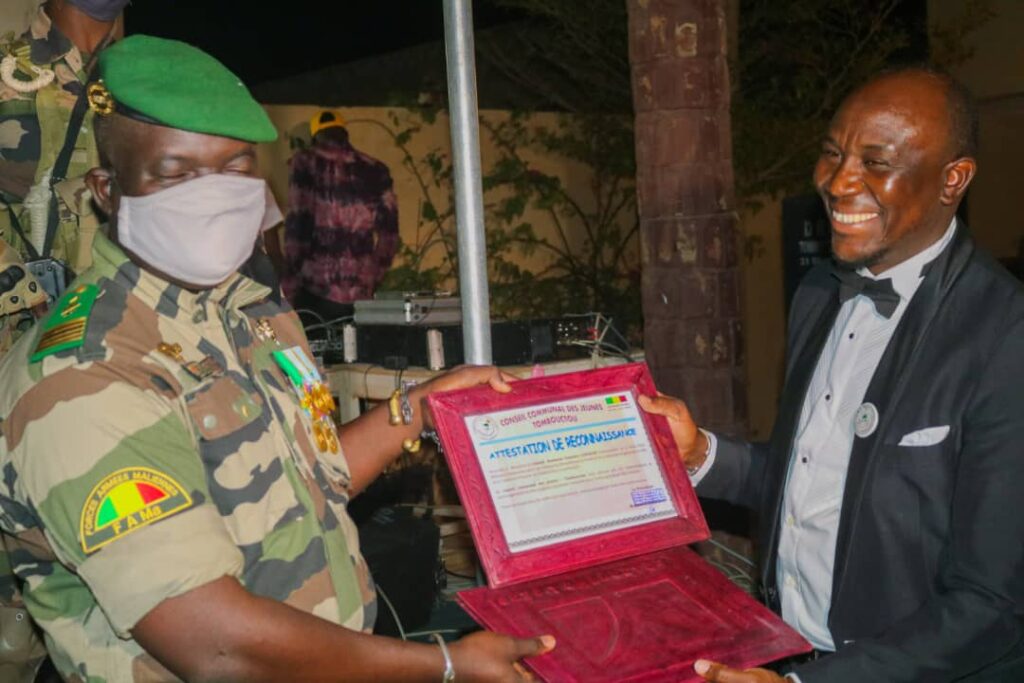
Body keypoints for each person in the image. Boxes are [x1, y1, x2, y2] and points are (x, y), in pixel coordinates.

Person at [0, 35, 552, 682]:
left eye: (234, 168)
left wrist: (414, 409)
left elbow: (309, 473)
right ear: (106, 189)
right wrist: (445, 663)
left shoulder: (254, 313)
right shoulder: (82, 374)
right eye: (176, 173)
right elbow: (216, 646)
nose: (211, 195)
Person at [640, 66, 1024, 682]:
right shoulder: (820, 292)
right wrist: (701, 453)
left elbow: (993, 602)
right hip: (786, 650)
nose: (838, 181)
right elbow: (818, 476)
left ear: (954, 178)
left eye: (876, 163)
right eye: (832, 153)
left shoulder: (1006, 335)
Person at [0, 0, 126, 354]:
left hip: (126, 334)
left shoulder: (147, 82)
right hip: (18, 337)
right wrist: (22, 288)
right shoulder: (7, 69)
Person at [280, 109, 399, 323]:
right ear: (344, 132)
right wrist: (373, 275)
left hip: (315, 287)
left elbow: (298, 225)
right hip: (361, 290)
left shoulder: (305, 163)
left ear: (316, 135)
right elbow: (389, 235)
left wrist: (294, 277)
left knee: (314, 352)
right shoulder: (376, 169)